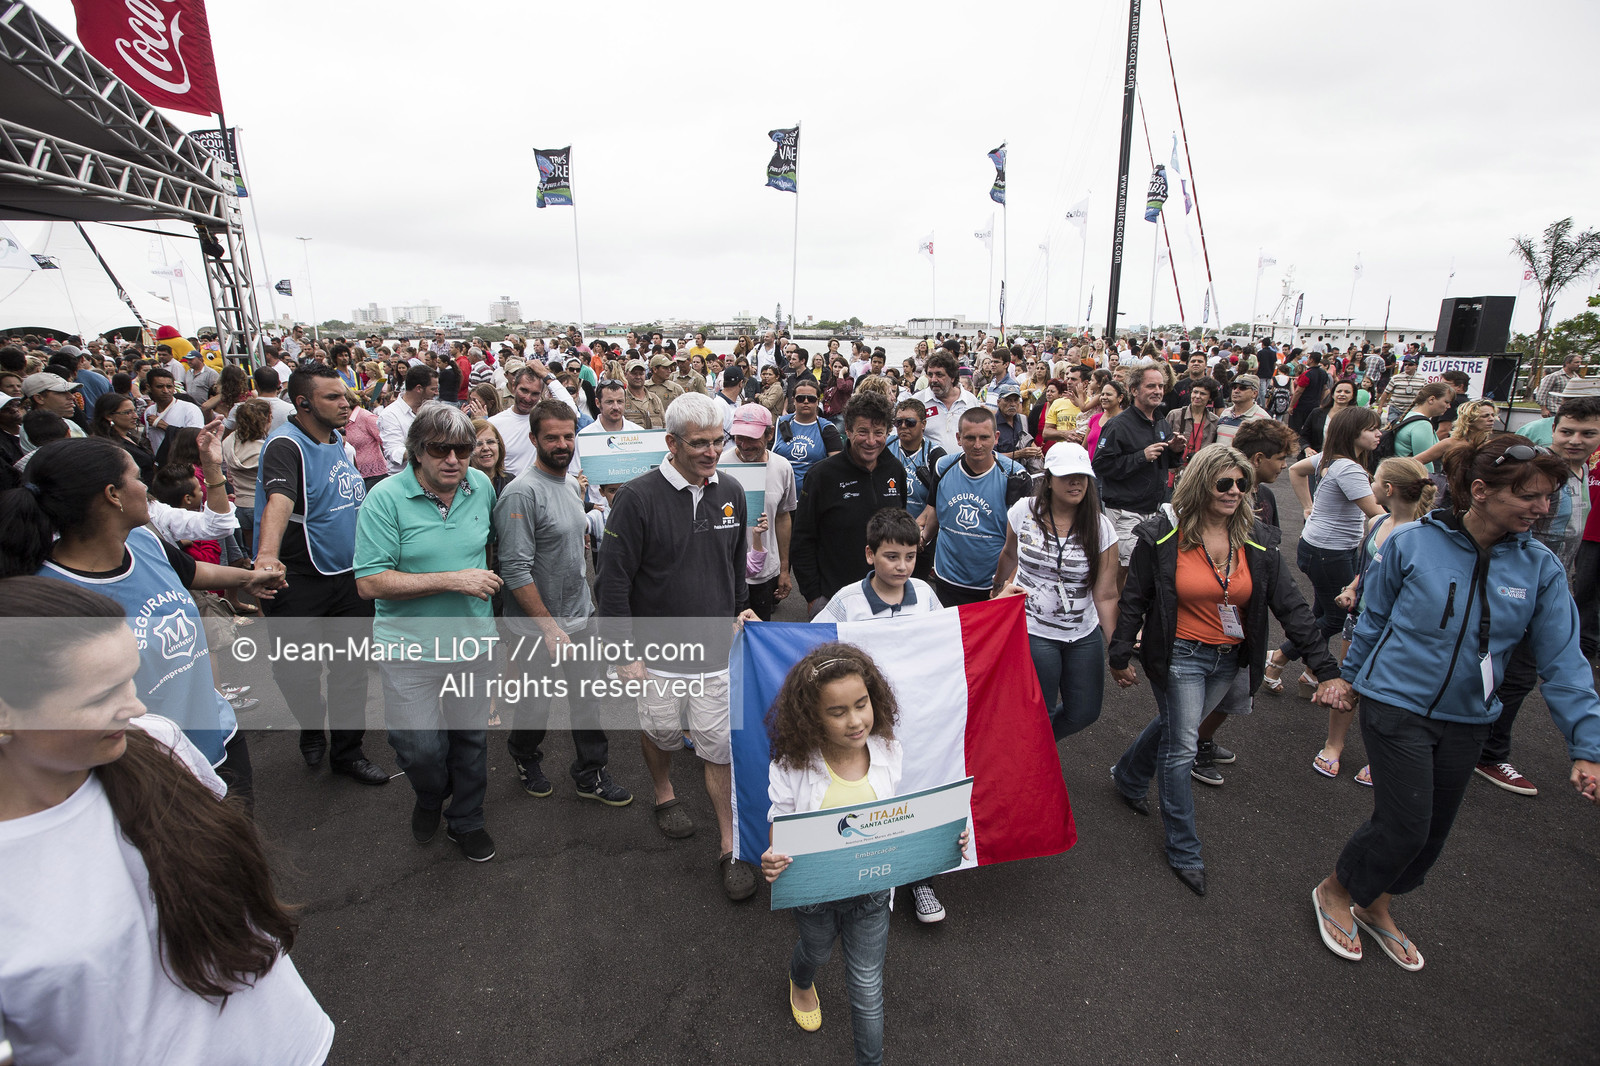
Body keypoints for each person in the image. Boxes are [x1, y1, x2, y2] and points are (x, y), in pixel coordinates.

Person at [0, 577, 335, 1065]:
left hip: (291, 1045)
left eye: (131, 679)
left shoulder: (158, 742)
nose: (136, 707)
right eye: (100, 697)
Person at [1310, 437, 1600, 969]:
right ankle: (1336, 889)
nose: (1543, 508)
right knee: (1405, 823)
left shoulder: (1541, 568)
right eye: (1530, 495)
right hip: (1396, 704)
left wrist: (1589, 747)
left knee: (1433, 833)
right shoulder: (1411, 543)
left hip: (1469, 718)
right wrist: (1349, 679)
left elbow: (1564, 661)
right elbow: (1373, 618)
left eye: (1550, 497)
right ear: (1482, 491)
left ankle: (1376, 903)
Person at [1109, 444, 1341, 897]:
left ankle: (1129, 775)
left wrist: (1326, 669)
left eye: (1242, 484)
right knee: (1182, 748)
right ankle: (1184, 848)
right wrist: (1119, 654)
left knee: (1180, 725)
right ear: (1200, 485)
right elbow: (1134, 598)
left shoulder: (1259, 539)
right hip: (1179, 656)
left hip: (1228, 659)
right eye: (1224, 484)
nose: (1235, 492)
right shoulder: (1160, 536)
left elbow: (1291, 608)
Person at [2, 438, 281, 798]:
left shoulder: (144, 543)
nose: (147, 487)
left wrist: (251, 579)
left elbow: (192, 571)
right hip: (144, 770)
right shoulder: (46, 597)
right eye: (137, 478)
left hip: (218, 737)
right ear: (112, 495)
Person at [761, 643, 966, 1065]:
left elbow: (900, 818)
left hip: (872, 894)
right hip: (814, 896)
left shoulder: (889, 750)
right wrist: (773, 857)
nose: (855, 721)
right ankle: (800, 981)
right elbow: (780, 824)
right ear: (811, 717)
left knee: (868, 988)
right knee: (814, 951)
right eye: (838, 712)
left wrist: (946, 840)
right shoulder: (792, 765)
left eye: (861, 704)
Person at [596, 392, 761, 899]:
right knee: (663, 733)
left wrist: (739, 609)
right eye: (700, 444)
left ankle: (729, 847)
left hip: (715, 654)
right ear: (670, 443)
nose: (712, 453)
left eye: (719, 442)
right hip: (659, 657)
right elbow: (613, 583)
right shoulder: (637, 498)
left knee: (718, 747)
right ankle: (664, 793)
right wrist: (622, 652)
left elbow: (735, 564)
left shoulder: (731, 488)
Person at [355, 404, 502, 862]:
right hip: (408, 649)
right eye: (441, 450)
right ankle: (428, 794)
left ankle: (467, 819)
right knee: (419, 747)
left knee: (470, 739)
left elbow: (489, 547)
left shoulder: (481, 487)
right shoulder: (383, 499)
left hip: (472, 643)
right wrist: (454, 579)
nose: (454, 460)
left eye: (463, 449)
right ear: (418, 451)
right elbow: (369, 582)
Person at [494, 398, 633, 808]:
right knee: (535, 704)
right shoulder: (520, 494)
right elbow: (515, 571)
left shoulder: (573, 485)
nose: (562, 444)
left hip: (580, 616)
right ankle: (524, 756)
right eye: (551, 437)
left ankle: (590, 774)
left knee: (587, 701)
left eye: (568, 436)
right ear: (534, 438)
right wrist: (549, 627)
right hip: (537, 629)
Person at [254, 366, 389, 786]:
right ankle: (311, 728)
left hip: (347, 577)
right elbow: (280, 499)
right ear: (303, 403)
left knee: (350, 670)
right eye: (333, 397)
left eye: (345, 395)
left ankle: (348, 752)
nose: (346, 402)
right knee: (296, 671)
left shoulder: (339, 442)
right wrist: (265, 558)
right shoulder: (284, 445)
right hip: (296, 579)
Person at [1473, 397, 1600, 796]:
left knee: (1522, 674)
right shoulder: (1539, 475)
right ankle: (1488, 752)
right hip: (1516, 590)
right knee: (1510, 674)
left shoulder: (1578, 474)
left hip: (1552, 586)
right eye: (1567, 431)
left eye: (1587, 433)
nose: (1575, 440)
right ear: (1553, 429)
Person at [993, 443, 1118, 742]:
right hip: (1033, 630)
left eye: (1082, 476)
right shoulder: (1023, 510)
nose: (1076, 482)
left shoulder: (1101, 528)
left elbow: (1107, 594)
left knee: (1085, 711)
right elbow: (1009, 555)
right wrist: (996, 593)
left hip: (1082, 632)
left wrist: (1117, 648)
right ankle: (1031, 764)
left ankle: (1027, 747)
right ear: (1048, 478)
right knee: (1040, 711)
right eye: (1066, 475)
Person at [1263, 407, 1385, 707]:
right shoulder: (1349, 468)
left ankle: (1308, 672)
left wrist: (1310, 506)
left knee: (1322, 609)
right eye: (1372, 429)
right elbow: (1378, 516)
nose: (1379, 433)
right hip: (1330, 553)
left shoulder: (1332, 460)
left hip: (1320, 547)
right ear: (1353, 433)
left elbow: (1296, 469)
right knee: (1338, 615)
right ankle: (1279, 656)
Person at [790, 391, 908, 615]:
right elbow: (802, 539)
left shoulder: (895, 470)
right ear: (848, 430)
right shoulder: (821, 475)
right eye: (863, 432)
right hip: (834, 599)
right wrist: (813, 596)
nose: (871, 441)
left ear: (888, 432)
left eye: (879, 433)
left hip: (888, 595)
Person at [1092, 365, 1188, 583]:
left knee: (1143, 572)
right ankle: (1112, 615)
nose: (1158, 391)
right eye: (1151, 386)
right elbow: (1100, 465)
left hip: (1154, 511)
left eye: (1161, 386)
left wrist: (1174, 451)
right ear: (1134, 390)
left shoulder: (1161, 422)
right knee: (1123, 571)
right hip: (1125, 512)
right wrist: (1140, 456)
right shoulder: (1118, 425)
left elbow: (1165, 463)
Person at [723, 403, 797, 621]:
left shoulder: (782, 467)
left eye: (752, 438)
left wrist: (784, 570)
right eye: (739, 437)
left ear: (769, 434)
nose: (744, 445)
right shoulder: (718, 465)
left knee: (760, 635)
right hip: (726, 573)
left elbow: (783, 517)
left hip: (765, 574)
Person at [814, 508, 941, 623]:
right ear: (870, 554)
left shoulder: (925, 593)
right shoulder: (846, 601)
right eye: (892, 557)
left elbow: (944, 633)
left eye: (910, 557)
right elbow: (816, 639)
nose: (902, 566)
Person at [772, 376, 843, 493]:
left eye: (811, 399)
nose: (806, 402)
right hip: (779, 493)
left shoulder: (827, 428)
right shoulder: (781, 423)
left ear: (818, 401)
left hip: (812, 496)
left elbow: (837, 466)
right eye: (800, 398)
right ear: (793, 400)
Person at [222, 399, 270, 553]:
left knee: (253, 552)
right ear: (266, 419)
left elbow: (229, 476)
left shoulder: (228, 443)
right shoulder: (266, 450)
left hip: (241, 505)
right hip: (263, 506)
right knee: (268, 550)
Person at [376, 365, 437, 475]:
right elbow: (393, 452)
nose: (436, 393)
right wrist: (428, 453)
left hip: (431, 477)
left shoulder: (433, 409)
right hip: (404, 480)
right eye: (433, 389)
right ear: (419, 388)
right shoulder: (390, 414)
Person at [913, 350, 978, 453]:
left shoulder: (970, 401)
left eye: (939, 375)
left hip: (963, 465)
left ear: (952, 377)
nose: (933, 380)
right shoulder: (918, 401)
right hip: (930, 466)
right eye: (930, 375)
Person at [91, 390, 156, 484]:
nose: (135, 416)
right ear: (109, 416)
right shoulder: (109, 445)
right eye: (127, 412)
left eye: (134, 411)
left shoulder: (129, 437)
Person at [140, 367, 203, 456]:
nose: (166, 391)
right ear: (149, 387)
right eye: (159, 387)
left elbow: (197, 438)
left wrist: (165, 426)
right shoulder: (149, 411)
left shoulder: (189, 409)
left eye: (169, 386)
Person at [1390, 383, 1452, 470]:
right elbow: (1425, 465)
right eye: (1446, 402)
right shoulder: (1422, 424)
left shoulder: (1408, 416)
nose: (1448, 406)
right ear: (1431, 399)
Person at [1165, 378, 1219, 476]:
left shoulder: (1214, 421)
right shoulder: (1175, 415)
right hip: (1175, 471)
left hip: (1199, 472)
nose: (1197, 396)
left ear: (1210, 397)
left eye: (1202, 394)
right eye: (1195, 392)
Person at [1303, 379, 1358, 454]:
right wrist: (1307, 448)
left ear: (1353, 396)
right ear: (1332, 394)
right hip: (1314, 458)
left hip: (1341, 460)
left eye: (1347, 392)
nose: (1342, 394)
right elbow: (1304, 436)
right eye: (1339, 391)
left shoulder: (1356, 417)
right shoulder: (1317, 413)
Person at [1377, 355, 1428, 424]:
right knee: (1391, 428)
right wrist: (1380, 407)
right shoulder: (1396, 378)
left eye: (1410, 364)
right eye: (1405, 364)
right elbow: (1386, 393)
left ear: (1416, 366)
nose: (1407, 366)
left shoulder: (1422, 379)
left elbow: (1426, 395)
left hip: (1412, 410)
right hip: (1395, 408)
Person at [1083, 379, 1125, 458]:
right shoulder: (1094, 418)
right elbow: (1084, 448)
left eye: (1108, 394)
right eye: (1102, 394)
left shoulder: (1126, 420)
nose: (1104, 397)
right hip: (1090, 468)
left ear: (1120, 398)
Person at [1536, 352, 1584, 418]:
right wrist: (1543, 409)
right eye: (1576, 362)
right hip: (1553, 411)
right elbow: (1542, 393)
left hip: (1569, 411)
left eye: (1580, 362)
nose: (1579, 364)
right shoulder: (1554, 376)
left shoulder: (1577, 378)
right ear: (1567, 363)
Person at [470, 417, 511, 494]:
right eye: (478, 444)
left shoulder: (511, 483)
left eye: (490, 442)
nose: (485, 448)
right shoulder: (460, 487)